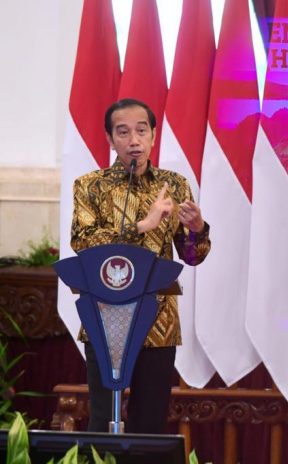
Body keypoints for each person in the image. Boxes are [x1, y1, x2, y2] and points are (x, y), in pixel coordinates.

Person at [70, 98, 211, 433]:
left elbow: (192, 256)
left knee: (150, 422)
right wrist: (141, 225)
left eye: (141, 130)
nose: (133, 139)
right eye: (123, 132)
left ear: (152, 135)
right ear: (110, 139)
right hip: (105, 316)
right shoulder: (91, 185)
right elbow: (83, 241)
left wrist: (197, 230)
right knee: (104, 419)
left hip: (158, 321)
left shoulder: (173, 185)